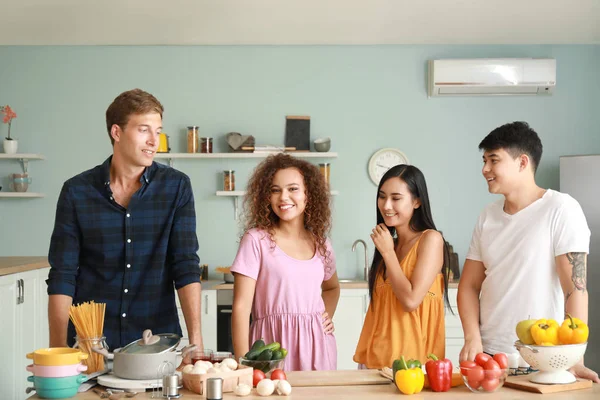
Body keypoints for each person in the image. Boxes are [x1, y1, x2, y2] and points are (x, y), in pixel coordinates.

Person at [47, 89, 204, 355]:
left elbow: (185, 265)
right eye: (144, 130)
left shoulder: (176, 187)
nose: (155, 141)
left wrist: (196, 342)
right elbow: (63, 275)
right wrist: (57, 351)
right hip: (91, 345)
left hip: (157, 345)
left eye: (158, 131)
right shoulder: (76, 191)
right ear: (117, 133)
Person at [458, 121, 599, 383]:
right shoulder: (487, 216)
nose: (484, 169)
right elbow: (468, 285)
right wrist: (472, 338)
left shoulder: (561, 209)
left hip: (543, 361)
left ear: (522, 162)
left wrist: (574, 359)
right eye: (484, 160)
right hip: (489, 361)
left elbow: (575, 289)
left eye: (493, 160)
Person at [230, 153, 340, 371]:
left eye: (293, 189)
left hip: (318, 345)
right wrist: (243, 362)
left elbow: (332, 287)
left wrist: (325, 317)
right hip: (270, 349)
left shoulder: (322, 243)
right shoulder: (256, 240)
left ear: (308, 195)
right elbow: (241, 307)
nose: (283, 197)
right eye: (275, 190)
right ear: (266, 197)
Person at [354, 164, 451, 368]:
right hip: (375, 362)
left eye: (396, 198)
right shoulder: (390, 243)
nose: (386, 205)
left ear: (417, 201)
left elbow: (410, 300)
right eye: (382, 196)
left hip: (413, 365)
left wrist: (388, 253)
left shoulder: (431, 240)